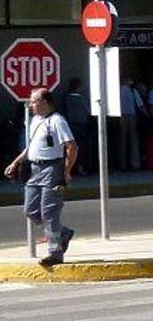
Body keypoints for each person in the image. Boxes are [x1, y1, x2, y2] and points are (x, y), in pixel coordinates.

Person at [4, 88, 78, 267]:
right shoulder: (35, 120)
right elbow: (31, 147)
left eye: (33, 102)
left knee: (49, 212)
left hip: (52, 168)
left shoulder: (57, 121)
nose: (30, 105)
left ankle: (55, 252)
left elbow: (72, 146)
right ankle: (63, 233)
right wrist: (16, 162)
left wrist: (66, 171)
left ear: (45, 103)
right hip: (34, 169)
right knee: (31, 210)